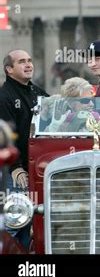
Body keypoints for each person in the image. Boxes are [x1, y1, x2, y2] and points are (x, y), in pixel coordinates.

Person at [0, 49, 49, 249]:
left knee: (31, 221)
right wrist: (16, 168)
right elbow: (5, 137)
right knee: (14, 222)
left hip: (35, 169)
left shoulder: (36, 91)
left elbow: (56, 109)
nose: (28, 64)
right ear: (9, 69)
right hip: (16, 173)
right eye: (22, 62)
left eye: (30, 60)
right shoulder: (4, 97)